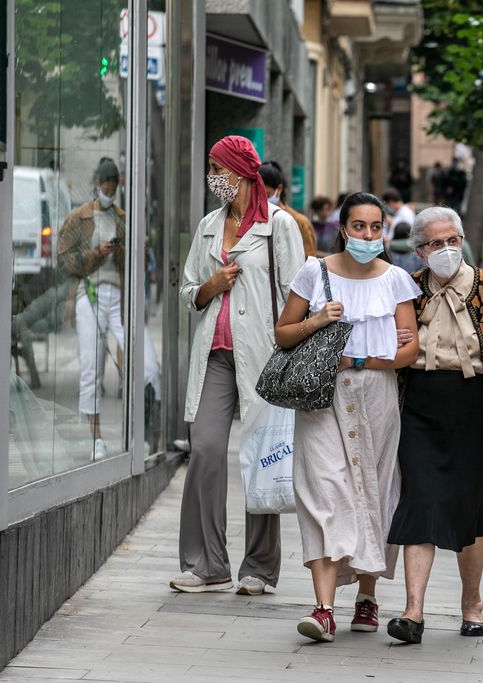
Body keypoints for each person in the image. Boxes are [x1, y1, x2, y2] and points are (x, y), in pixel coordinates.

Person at [274, 192, 421, 643]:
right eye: (359, 227)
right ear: (343, 228)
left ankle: (367, 598)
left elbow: (409, 350)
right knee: (325, 490)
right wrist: (318, 321)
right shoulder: (313, 271)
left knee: (374, 489)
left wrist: (363, 362)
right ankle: (323, 609)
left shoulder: (396, 279)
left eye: (376, 228)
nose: (368, 236)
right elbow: (282, 334)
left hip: (375, 393)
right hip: (321, 395)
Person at [386, 206, 483, 644]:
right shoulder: (409, 291)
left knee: (470, 511)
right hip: (421, 407)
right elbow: (391, 353)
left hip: (476, 408)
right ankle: (413, 612)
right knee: (420, 501)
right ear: (420, 252)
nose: (446, 249)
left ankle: (472, 603)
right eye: (435, 243)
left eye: (452, 240)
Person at [172, 135, 306, 595]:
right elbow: (188, 290)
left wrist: (287, 348)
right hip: (215, 355)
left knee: (262, 454)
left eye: (217, 169)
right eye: (210, 169)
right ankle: (206, 563)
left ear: (240, 172)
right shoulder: (210, 225)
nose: (213, 179)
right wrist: (210, 285)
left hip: (265, 357)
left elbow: (298, 294)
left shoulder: (280, 225)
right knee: (206, 449)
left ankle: (259, 568)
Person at [57, 158, 162, 460]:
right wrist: (95, 254)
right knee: (91, 368)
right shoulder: (79, 218)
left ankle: (142, 433)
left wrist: (135, 252)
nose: (109, 193)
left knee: (147, 365)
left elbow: (137, 267)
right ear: (96, 185)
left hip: (119, 298)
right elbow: (64, 262)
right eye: (106, 188)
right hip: (88, 295)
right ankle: (96, 439)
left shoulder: (122, 218)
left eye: (113, 189)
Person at [259, 161, 316, 259]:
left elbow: (309, 261)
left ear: (279, 188)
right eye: (258, 196)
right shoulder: (253, 218)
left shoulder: (300, 222)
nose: (263, 200)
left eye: (267, 195)